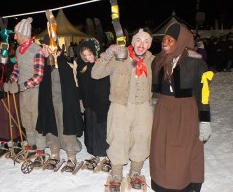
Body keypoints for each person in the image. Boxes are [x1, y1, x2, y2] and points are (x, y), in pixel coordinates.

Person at [150, 22, 213, 192]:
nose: (165, 43)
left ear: (182, 41)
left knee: (184, 151)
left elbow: (203, 94)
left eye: (171, 40)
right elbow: (139, 65)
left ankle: (184, 183)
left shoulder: (196, 64)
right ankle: (162, 182)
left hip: (186, 112)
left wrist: (205, 121)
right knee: (161, 148)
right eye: (164, 39)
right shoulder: (158, 61)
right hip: (164, 110)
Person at [91, 28, 154, 191]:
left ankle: (135, 172)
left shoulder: (152, 60)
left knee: (142, 139)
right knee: (118, 139)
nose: (142, 44)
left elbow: (171, 63)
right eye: (139, 40)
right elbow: (95, 74)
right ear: (133, 42)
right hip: (120, 106)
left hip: (143, 107)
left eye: (146, 41)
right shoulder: (120, 57)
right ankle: (117, 173)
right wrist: (107, 54)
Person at [35, 35, 84, 171]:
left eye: (45, 47)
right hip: (49, 103)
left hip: (64, 104)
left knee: (66, 128)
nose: (42, 50)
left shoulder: (64, 63)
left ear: (52, 48)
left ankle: (71, 155)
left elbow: (73, 87)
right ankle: (54, 152)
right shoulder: (44, 64)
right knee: (51, 128)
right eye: (42, 47)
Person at [4, 17, 46, 166]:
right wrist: (11, 81)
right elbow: (17, 69)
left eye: (16, 34)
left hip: (34, 91)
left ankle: (41, 148)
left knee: (36, 119)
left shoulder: (36, 50)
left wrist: (21, 86)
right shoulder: (20, 51)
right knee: (26, 119)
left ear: (22, 34)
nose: (14, 37)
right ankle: (32, 144)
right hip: (23, 91)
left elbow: (39, 75)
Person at [76, 38, 110, 164]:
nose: (88, 58)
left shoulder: (102, 64)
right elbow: (81, 84)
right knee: (91, 125)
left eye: (90, 54)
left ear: (95, 52)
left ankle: (103, 149)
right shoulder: (82, 65)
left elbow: (106, 83)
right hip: (89, 102)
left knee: (102, 126)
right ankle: (92, 148)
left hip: (102, 101)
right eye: (85, 55)